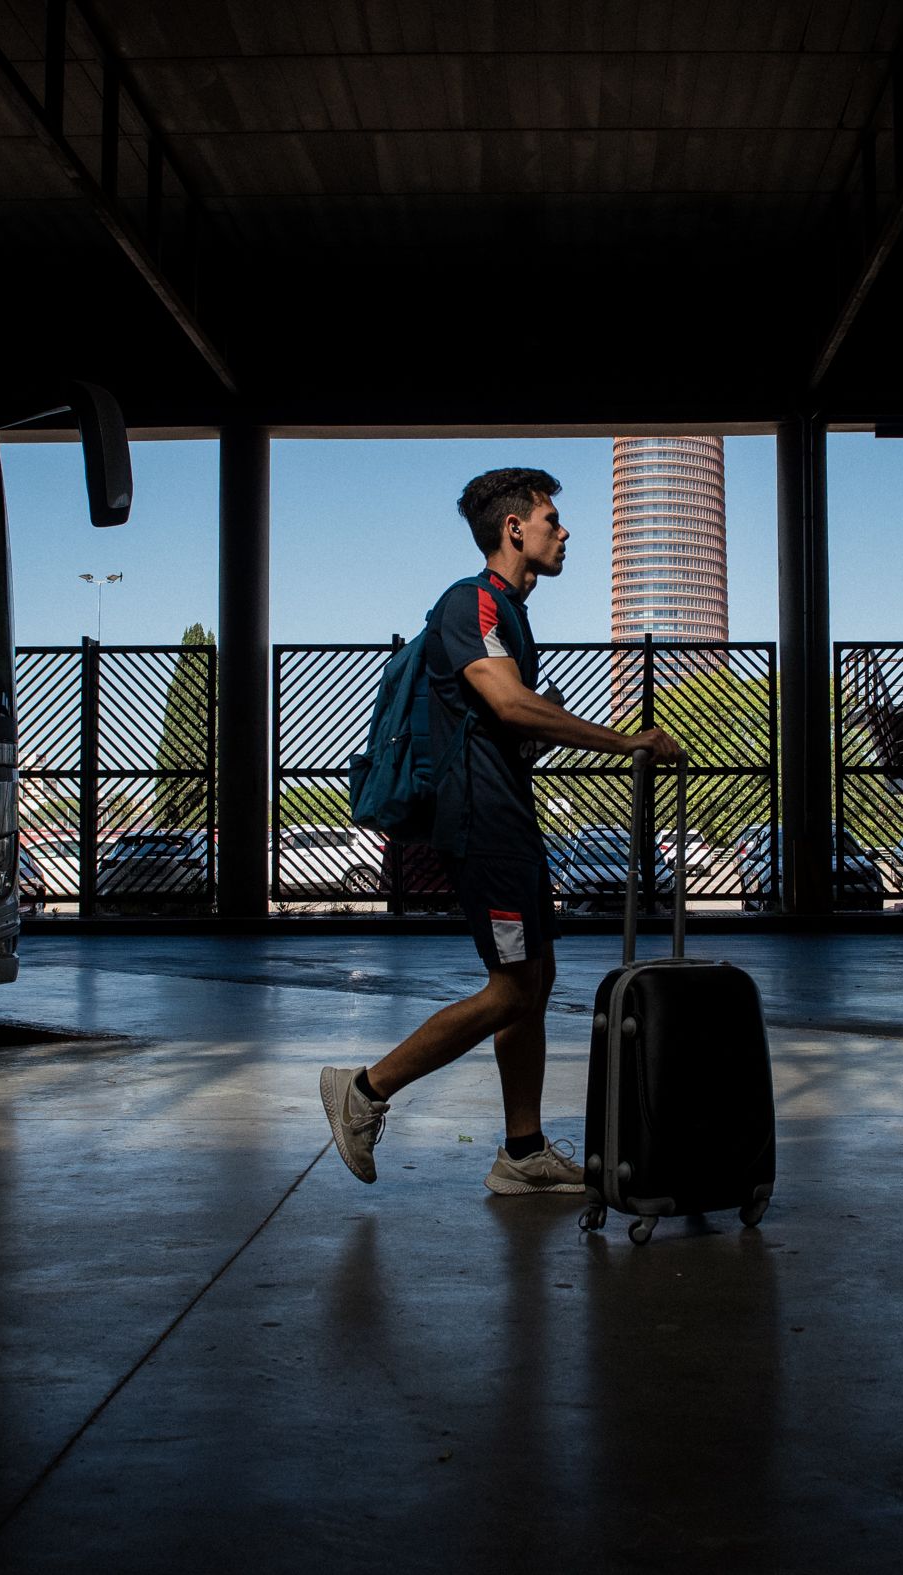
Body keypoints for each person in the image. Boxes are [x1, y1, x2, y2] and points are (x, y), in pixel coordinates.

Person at [321, 466, 683, 1193]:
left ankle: (521, 1151)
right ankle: (364, 1088)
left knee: (535, 981)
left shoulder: (510, 614)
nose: (564, 530)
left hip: (509, 823)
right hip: (482, 828)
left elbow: (505, 729)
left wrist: (533, 729)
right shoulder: (471, 601)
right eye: (552, 518)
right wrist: (623, 742)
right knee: (513, 987)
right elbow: (507, 704)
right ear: (514, 528)